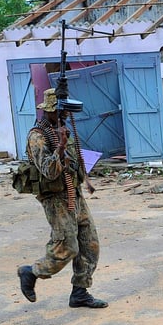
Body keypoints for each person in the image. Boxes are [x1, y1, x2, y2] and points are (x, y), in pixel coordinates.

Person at [17, 85, 108, 309]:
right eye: (61, 111)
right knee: (67, 247)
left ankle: (80, 292)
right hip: (56, 199)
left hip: (73, 195)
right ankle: (32, 272)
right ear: (49, 111)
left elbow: (73, 163)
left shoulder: (62, 129)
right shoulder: (38, 137)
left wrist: (84, 177)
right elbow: (49, 171)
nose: (66, 115)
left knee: (90, 244)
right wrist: (59, 147)